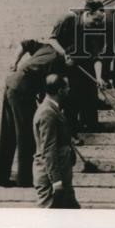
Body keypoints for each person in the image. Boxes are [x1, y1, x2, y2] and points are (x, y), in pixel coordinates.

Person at [0, 42, 67, 188]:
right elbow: (49, 91)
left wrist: (14, 62)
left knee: (8, 134)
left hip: (11, 85)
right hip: (22, 92)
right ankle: (25, 179)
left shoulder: (47, 48)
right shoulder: (59, 62)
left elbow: (24, 44)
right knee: (27, 134)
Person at [48, 0, 107, 132]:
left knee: (91, 93)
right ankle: (72, 128)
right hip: (65, 63)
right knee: (72, 96)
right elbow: (52, 39)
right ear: (87, 13)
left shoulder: (97, 28)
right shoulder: (67, 20)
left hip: (84, 63)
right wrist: (65, 55)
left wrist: (98, 77)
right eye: (95, 20)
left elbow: (96, 56)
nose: (97, 24)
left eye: (100, 21)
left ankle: (91, 125)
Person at [33, 73, 80, 209]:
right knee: (48, 218)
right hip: (51, 177)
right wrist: (56, 181)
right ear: (60, 91)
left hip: (61, 172)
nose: (69, 90)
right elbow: (48, 149)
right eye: (67, 87)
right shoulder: (47, 112)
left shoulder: (52, 108)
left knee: (72, 212)